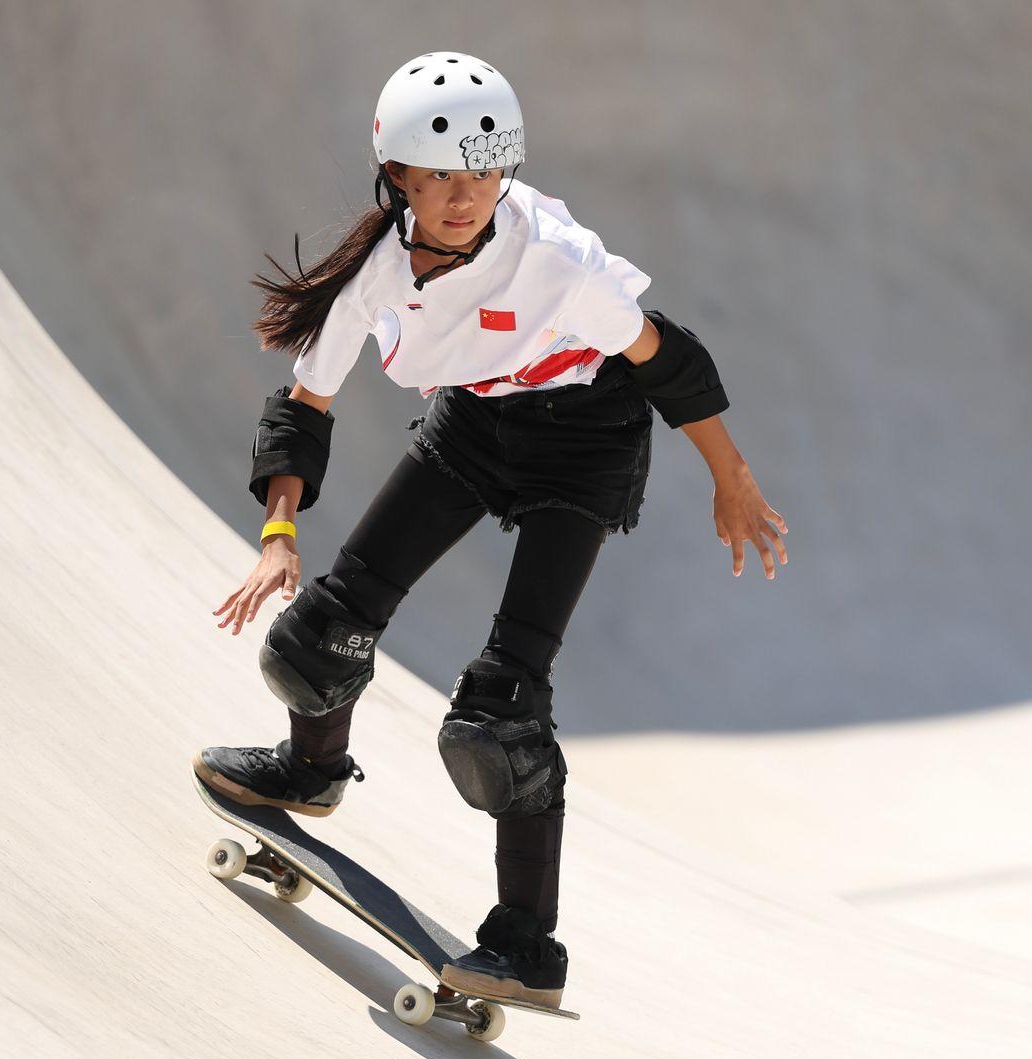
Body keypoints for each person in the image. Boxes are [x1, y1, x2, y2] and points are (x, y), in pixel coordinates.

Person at [194, 51, 786, 1009]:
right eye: (441, 182)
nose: (466, 199)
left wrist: (733, 477)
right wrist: (278, 535)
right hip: (475, 424)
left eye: (484, 176)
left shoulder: (556, 264)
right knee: (316, 639)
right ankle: (309, 773)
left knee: (499, 713)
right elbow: (304, 406)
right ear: (400, 180)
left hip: (585, 442)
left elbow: (665, 358)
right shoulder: (376, 273)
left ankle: (526, 944)